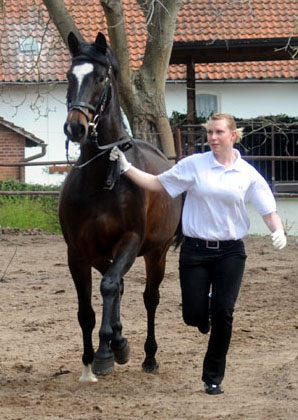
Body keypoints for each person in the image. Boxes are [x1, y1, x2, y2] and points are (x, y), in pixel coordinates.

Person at [109, 113, 287, 395]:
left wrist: (277, 230)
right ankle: (202, 307)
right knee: (193, 315)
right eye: (210, 133)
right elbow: (157, 183)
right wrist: (126, 167)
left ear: (233, 136)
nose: (213, 138)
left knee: (224, 313)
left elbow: (268, 210)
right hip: (195, 251)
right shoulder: (194, 166)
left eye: (218, 133)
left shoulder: (247, 174)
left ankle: (212, 377)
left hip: (230, 252)